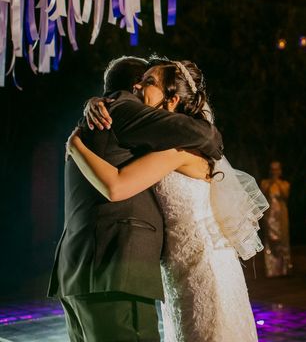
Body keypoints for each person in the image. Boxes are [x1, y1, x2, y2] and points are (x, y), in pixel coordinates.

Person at [68, 60, 265, 341]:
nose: (138, 86)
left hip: (201, 268)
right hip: (181, 268)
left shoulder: (177, 150)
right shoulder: (165, 142)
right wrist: (95, 101)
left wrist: (75, 147)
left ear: (171, 100)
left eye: (149, 82)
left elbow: (116, 186)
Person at [260, 161, 292, 277]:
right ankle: (271, 269)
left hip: (281, 216)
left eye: (277, 169)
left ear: (280, 171)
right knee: (270, 241)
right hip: (269, 216)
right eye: (272, 169)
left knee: (283, 240)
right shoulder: (264, 183)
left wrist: (277, 182)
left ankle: (284, 269)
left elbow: (285, 195)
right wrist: (271, 183)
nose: (274, 172)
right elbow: (262, 195)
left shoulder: (285, 184)